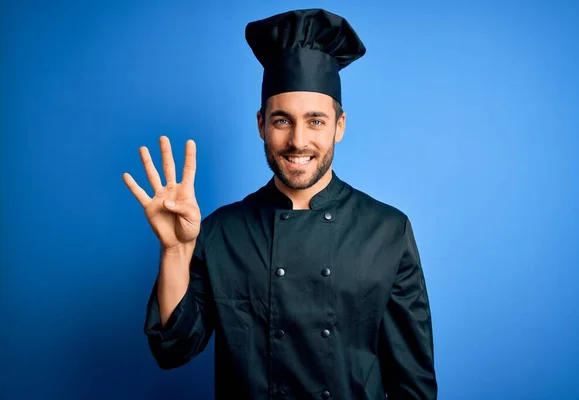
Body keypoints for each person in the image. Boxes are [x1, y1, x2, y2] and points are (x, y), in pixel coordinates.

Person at [123, 8, 437, 400]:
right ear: (261, 125)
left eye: (316, 121)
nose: (298, 140)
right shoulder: (221, 231)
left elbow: (414, 384)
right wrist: (175, 250)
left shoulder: (388, 231)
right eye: (282, 121)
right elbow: (173, 350)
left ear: (339, 125)